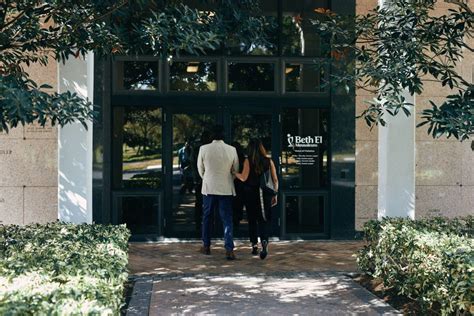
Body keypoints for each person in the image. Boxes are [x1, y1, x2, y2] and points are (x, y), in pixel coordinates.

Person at [197, 124, 239, 260]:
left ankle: (206, 246)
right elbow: (235, 169)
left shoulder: (203, 149)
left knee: (207, 217)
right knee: (227, 219)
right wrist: (228, 178)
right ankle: (229, 249)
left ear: (211, 136)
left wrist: (207, 178)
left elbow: (200, 169)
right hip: (226, 187)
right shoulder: (232, 150)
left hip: (209, 187)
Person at [235, 138, 278, 260]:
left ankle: (254, 245)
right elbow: (275, 180)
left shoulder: (248, 161)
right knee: (264, 220)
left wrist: (234, 173)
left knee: (252, 220)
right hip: (265, 194)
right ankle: (264, 241)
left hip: (251, 194)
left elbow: (243, 178)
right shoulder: (268, 161)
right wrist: (275, 194)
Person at [192, 130, 212, 235]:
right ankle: (198, 225)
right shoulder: (198, 150)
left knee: (206, 204)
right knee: (200, 204)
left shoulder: (210, 150)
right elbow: (195, 166)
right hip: (201, 181)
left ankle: (206, 225)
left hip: (208, 181)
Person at [231, 141, 245, 230]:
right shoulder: (240, 157)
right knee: (236, 203)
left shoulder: (242, 158)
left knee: (237, 203)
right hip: (235, 183)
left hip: (238, 183)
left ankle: (236, 220)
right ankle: (236, 220)